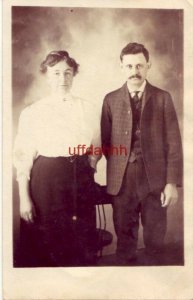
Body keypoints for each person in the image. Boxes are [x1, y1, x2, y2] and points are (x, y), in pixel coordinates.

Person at [13, 50, 101, 267]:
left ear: (74, 75)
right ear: (46, 75)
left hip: (79, 182)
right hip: (47, 184)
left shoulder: (88, 108)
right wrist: (24, 198)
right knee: (48, 244)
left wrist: (89, 166)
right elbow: (22, 159)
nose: (63, 79)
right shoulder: (33, 112)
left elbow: (96, 145)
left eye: (68, 73)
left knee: (80, 244)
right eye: (56, 73)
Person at [101, 42, 182, 265]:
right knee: (125, 241)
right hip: (122, 181)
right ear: (121, 67)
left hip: (154, 181)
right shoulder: (110, 100)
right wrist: (123, 165)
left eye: (139, 65)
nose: (134, 71)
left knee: (155, 240)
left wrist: (171, 183)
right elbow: (107, 144)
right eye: (129, 66)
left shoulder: (162, 98)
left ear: (148, 66)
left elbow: (174, 143)